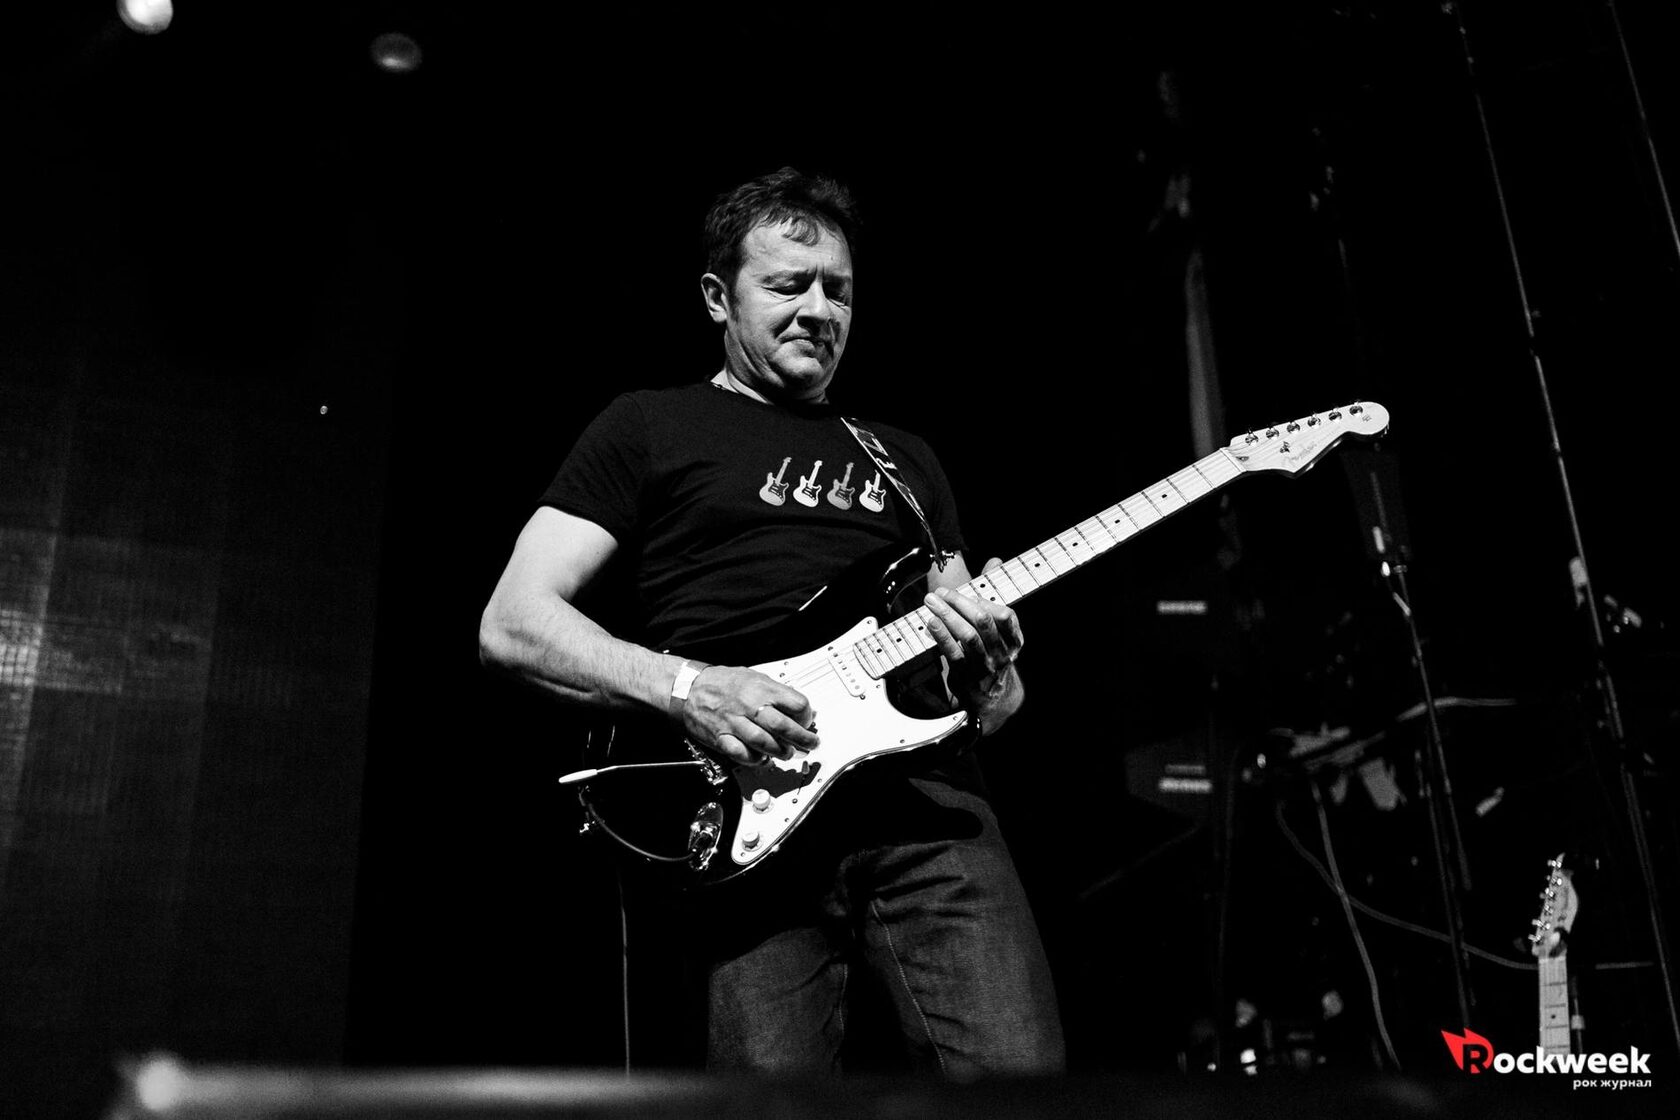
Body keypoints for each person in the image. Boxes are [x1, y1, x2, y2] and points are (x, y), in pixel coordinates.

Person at [478, 167, 1063, 1075]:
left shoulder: (905, 460)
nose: (820, 310)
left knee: (1019, 1085)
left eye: (839, 290)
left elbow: (997, 702)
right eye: (790, 285)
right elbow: (514, 621)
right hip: (748, 801)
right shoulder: (649, 425)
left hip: (929, 811)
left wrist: (988, 669)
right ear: (718, 298)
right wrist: (690, 688)